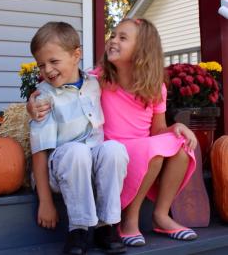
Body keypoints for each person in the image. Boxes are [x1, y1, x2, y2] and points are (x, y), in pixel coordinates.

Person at [28, 18, 198, 247]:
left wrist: (176, 126)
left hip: (124, 152)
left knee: (170, 147)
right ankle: (105, 225)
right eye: (113, 35)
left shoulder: (144, 86)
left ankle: (140, 219)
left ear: (142, 49)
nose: (113, 40)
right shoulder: (98, 79)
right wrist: (32, 103)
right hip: (87, 156)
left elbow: (157, 130)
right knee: (145, 150)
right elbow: (64, 88)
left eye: (122, 37)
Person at [29, 21, 128, 255]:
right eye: (41, 65)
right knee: (77, 151)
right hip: (61, 169)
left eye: (54, 61)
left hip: (91, 164)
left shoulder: (94, 83)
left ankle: (108, 225)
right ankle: (79, 230)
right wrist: (45, 201)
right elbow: (39, 151)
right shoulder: (43, 97)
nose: (47, 70)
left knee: (114, 149)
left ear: (76, 55)